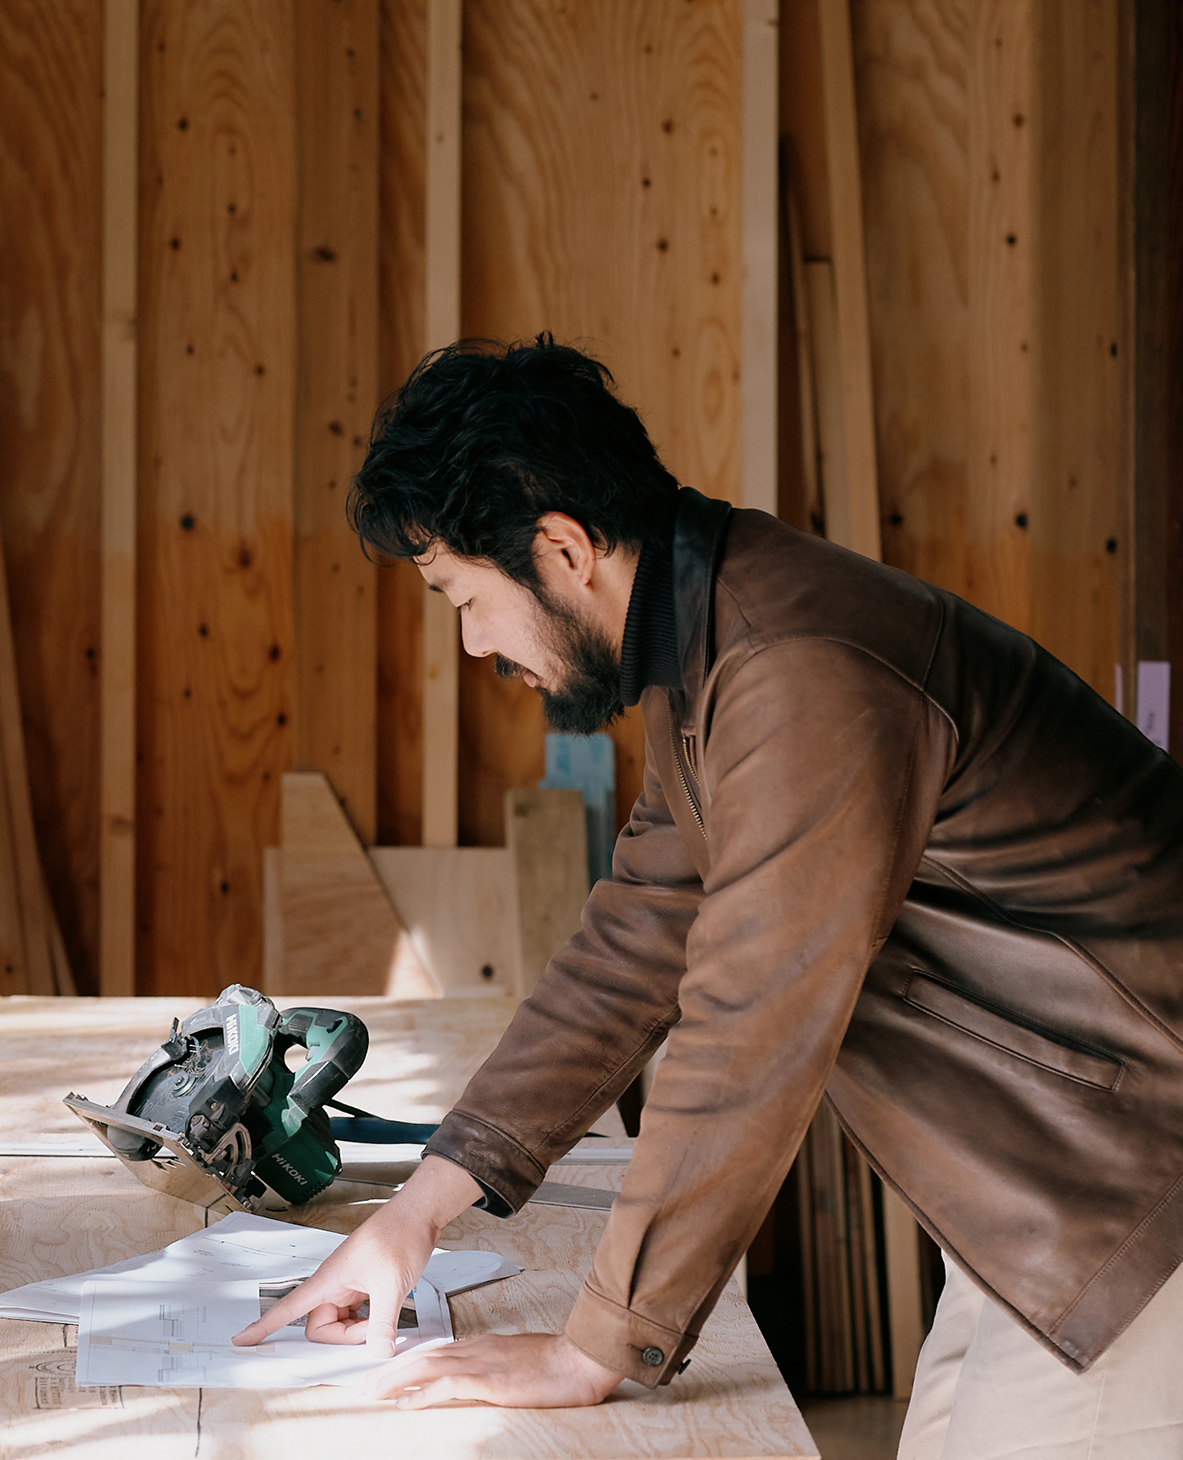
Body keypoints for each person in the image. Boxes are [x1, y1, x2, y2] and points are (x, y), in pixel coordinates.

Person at [237, 338, 1183, 1456]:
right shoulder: (712, 646)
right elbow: (634, 939)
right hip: (1050, 1172)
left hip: (1137, 1175)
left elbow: (748, 1023)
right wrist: (416, 1212)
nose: (473, 640)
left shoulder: (795, 671)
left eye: (463, 595)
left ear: (560, 550)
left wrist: (594, 1346)